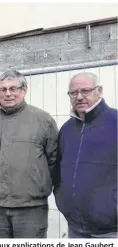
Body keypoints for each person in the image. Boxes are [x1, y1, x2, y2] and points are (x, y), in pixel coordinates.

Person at [0, 70, 58, 238]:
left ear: (24, 90)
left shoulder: (43, 120)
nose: (8, 93)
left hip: (30, 208)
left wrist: (35, 182)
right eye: (3, 89)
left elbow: (54, 160)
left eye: (13, 88)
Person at [54, 72, 117, 238]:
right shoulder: (67, 129)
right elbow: (59, 169)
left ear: (100, 91)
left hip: (110, 230)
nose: (79, 97)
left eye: (86, 91)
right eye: (73, 93)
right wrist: (62, 200)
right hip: (75, 227)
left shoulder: (115, 122)